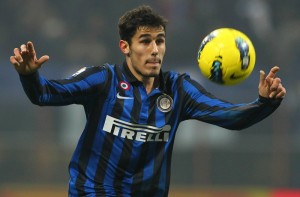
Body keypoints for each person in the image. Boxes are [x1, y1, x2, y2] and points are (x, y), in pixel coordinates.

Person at [10, 5, 286, 197]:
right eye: (145, 41)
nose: (155, 50)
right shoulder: (102, 80)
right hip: (93, 191)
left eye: (160, 41)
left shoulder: (178, 89)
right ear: (125, 47)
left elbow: (230, 117)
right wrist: (29, 76)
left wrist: (264, 102)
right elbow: (44, 94)